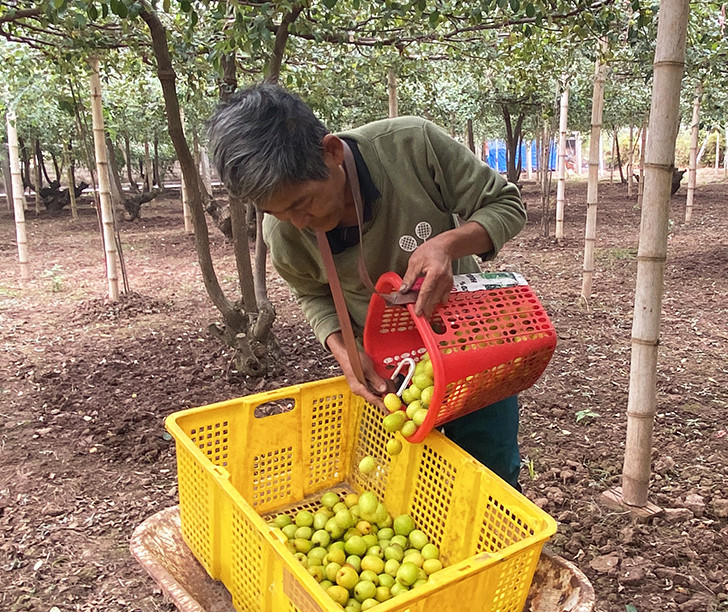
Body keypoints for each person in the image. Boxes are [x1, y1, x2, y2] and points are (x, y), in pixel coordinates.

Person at [207, 85, 527, 488]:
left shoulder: (412, 146)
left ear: (331, 152)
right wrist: (343, 351)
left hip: (468, 343)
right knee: (407, 481)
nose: (298, 222)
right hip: (392, 370)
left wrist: (448, 244)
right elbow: (311, 293)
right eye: (279, 212)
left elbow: (506, 204)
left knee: (491, 470)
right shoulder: (285, 233)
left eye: (302, 202)